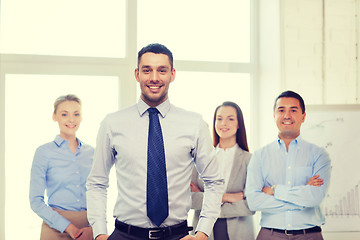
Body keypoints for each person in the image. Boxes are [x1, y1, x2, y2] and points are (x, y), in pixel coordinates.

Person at [86, 43, 224, 240]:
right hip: (125, 235)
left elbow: (214, 181)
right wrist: (99, 233)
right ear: (137, 74)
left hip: (177, 235)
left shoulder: (194, 124)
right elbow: (97, 182)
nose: (154, 78)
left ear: (172, 74)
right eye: (147, 70)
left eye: (162, 70)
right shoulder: (112, 123)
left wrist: (202, 233)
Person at [245, 90, 331, 240]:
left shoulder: (319, 155)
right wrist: (302, 199)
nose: (287, 115)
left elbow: (315, 197)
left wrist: (275, 190)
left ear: (303, 116)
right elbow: (253, 201)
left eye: (293, 110)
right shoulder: (259, 156)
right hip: (270, 235)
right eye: (281, 110)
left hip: (309, 235)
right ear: (274, 115)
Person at [29, 94, 94, 240]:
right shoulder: (44, 152)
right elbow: (35, 201)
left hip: (88, 229)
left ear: (81, 117)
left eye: (76, 114)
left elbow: (99, 193)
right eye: (64, 114)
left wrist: (94, 228)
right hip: (55, 228)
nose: (71, 120)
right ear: (54, 116)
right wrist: (68, 227)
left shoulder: (92, 153)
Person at [191, 101, 255, 240]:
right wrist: (229, 197)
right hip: (203, 231)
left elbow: (251, 204)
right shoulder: (200, 157)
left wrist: (207, 197)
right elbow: (189, 198)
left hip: (239, 231)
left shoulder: (249, 160)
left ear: (239, 124)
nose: (223, 123)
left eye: (230, 119)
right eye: (219, 119)